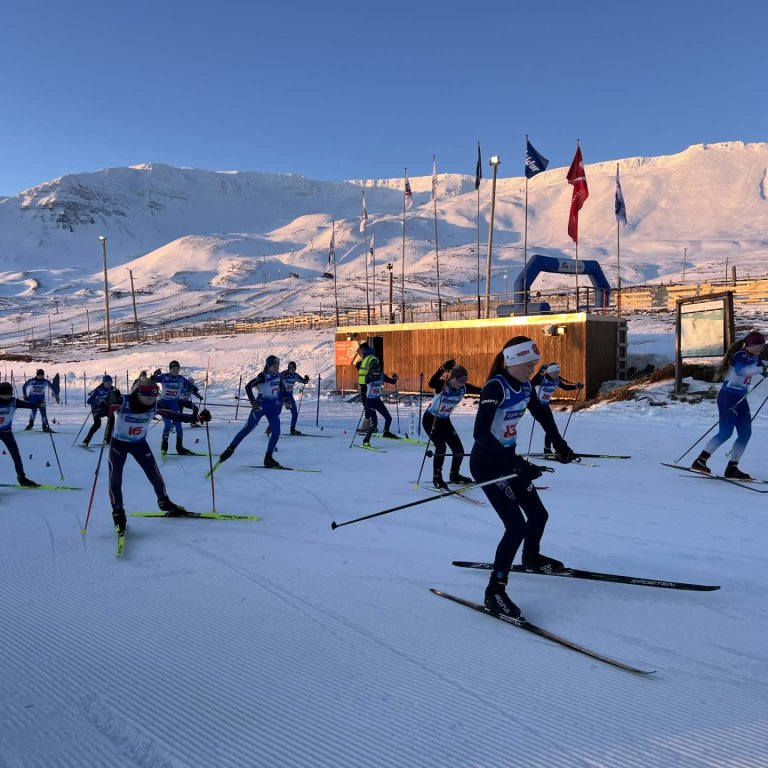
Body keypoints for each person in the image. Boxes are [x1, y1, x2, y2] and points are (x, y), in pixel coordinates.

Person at [469, 336, 576, 618]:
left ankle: (530, 557)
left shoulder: (526, 385)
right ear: (514, 361)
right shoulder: (496, 387)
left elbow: (543, 415)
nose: (533, 370)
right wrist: (516, 464)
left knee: (538, 515)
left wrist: (560, 444)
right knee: (515, 526)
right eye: (529, 365)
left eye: (534, 365)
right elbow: (480, 434)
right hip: (489, 465)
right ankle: (495, 590)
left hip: (509, 462)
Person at [106, 377, 212, 533]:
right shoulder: (124, 401)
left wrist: (196, 417)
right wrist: (107, 401)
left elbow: (173, 415)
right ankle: (118, 513)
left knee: (154, 474)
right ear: (138, 393)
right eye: (147, 397)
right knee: (115, 477)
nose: (150, 400)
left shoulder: (155, 405)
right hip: (118, 445)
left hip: (139, 444)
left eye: (153, 397)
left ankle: (164, 502)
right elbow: (105, 407)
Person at [691, 331, 766, 479]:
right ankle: (700, 460)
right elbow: (741, 371)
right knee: (726, 432)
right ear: (752, 344)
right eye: (761, 345)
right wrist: (761, 369)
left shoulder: (755, 358)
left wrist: (764, 370)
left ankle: (732, 468)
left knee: (745, 434)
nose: (762, 348)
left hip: (741, 397)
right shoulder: (741, 355)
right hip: (728, 396)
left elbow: (762, 370)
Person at [218, 355, 286, 469]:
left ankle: (268, 458)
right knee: (247, 429)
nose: (276, 368)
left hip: (273, 406)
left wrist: (286, 399)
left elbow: (282, 389)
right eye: (274, 366)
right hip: (261, 405)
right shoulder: (263, 375)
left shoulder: (278, 375)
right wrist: (253, 401)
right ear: (268, 366)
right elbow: (248, 386)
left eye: (278, 366)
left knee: (276, 431)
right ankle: (230, 449)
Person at [423, 360, 482, 489]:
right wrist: (442, 368)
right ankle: (437, 477)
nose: (462, 384)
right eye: (460, 380)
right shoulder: (443, 385)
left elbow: (481, 391)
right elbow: (431, 383)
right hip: (431, 419)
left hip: (444, 421)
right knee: (441, 447)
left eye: (464, 381)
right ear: (452, 378)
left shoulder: (464, 387)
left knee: (458, 450)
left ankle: (454, 475)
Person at [530, 363, 584, 454]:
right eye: (555, 373)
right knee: (550, 429)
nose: (557, 375)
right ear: (550, 372)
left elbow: (565, 387)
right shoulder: (543, 378)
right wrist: (540, 372)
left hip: (546, 407)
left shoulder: (557, 380)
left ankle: (547, 450)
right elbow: (532, 383)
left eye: (558, 372)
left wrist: (576, 387)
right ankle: (550, 450)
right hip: (537, 407)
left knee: (552, 428)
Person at [0, 382, 41, 486]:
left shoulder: (14, 402)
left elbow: (27, 404)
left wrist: (37, 405)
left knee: (16, 455)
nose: (6, 396)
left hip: (6, 433)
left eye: (8, 393)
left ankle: (21, 477)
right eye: (3, 393)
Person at [151, 360, 193, 455]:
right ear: (170, 369)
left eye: (177, 369)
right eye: (173, 369)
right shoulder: (165, 377)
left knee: (178, 425)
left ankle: (179, 447)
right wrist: (154, 375)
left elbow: (190, 386)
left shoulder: (181, 379)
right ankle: (164, 447)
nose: (175, 371)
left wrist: (193, 388)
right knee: (167, 425)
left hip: (174, 404)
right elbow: (153, 380)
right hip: (164, 404)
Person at [362, 359, 399, 446]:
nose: (377, 371)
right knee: (374, 423)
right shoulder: (369, 376)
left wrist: (395, 378)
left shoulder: (381, 375)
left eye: (378, 369)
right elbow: (366, 381)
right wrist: (371, 376)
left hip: (377, 400)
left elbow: (392, 382)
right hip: (370, 401)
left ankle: (386, 432)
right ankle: (366, 440)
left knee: (389, 418)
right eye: (375, 369)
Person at [266, 361, 310, 436]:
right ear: (289, 368)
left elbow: (303, 381)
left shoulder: (295, 375)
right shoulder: (284, 374)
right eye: (292, 369)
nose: (293, 370)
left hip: (289, 395)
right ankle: (270, 427)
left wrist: (306, 379)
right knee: (278, 412)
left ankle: (292, 429)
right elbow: (277, 381)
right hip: (281, 394)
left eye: (294, 369)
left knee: (295, 413)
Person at [82, 375, 121, 447]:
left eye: (110, 382)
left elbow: (119, 397)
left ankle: (107, 439)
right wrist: (97, 401)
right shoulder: (98, 389)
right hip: (96, 409)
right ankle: (86, 440)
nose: (108, 384)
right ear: (103, 383)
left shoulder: (113, 389)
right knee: (97, 424)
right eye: (107, 382)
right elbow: (89, 401)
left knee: (112, 418)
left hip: (105, 409)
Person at [354, 342, 378, 433]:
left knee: (369, 405)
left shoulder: (370, 358)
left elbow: (373, 370)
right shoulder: (366, 358)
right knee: (367, 405)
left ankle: (370, 425)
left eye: (361, 350)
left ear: (364, 350)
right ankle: (370, 424)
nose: (359, 353)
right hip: (364, 385)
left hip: (368, 385)